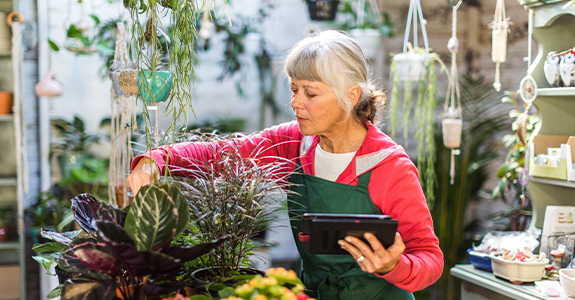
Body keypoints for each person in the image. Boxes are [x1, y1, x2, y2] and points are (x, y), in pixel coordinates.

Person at [127, 30, 443, 299]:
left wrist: (394, 266)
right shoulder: (294, 144)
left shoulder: (390, 166)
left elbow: (429, 258)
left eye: (310, 93)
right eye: (294, 89)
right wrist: (156, 161)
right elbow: (225, 153)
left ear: (351, 95)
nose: (295, 102)